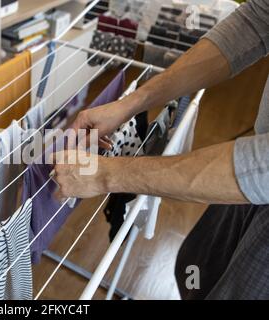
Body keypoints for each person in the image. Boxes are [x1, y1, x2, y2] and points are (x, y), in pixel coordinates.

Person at [53, 0, 269, 299]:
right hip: (248, 180)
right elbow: (258, 20)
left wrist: (105, 175)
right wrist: (130, 105)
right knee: (196, 269)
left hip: (258, 181)